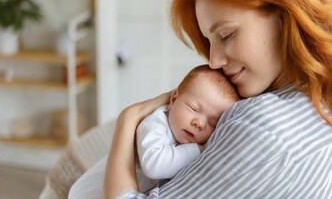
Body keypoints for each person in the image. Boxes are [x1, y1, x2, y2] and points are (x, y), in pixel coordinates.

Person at [104, 0, 332, 198]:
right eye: (209, 41)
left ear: (284, 14)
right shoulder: (328, 119)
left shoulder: (264, 128)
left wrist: (128, 118)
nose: (213, 60)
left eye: (226, 34)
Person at [68, 65, 239, 198]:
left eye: (212, 123)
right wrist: (198, 151)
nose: (199, 123)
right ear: (173, 98)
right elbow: (155, 165)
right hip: (90, 193)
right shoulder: (156, 123)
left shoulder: (183, 135)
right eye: (193, 108)